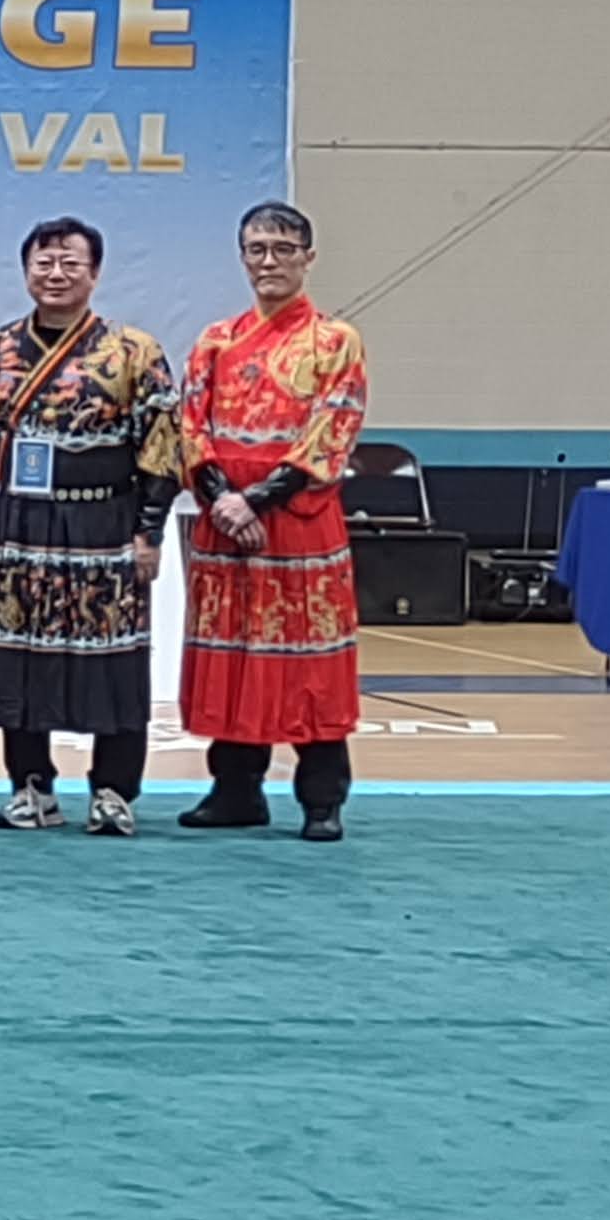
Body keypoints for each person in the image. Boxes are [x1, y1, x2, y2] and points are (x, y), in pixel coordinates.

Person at [0, 216, 185, 837]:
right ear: (25, 271)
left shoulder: (134, 351)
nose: (55, 274)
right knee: (20, 654)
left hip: (106, 519)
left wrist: (149, 529)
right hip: (24, 519)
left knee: (113, 657)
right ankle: (31, 787)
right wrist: (11, 465)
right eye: (44, 263)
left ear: (95, 273)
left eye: (70, 263)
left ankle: (113, 791)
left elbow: (163, 441)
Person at [176, 202, 368, 842]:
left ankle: (321, 799)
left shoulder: (334, 341)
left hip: (297, 518)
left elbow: (333, 426)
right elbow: (190, 427)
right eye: (257, 249)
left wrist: (258, 500)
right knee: (232, 654)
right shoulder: (215, 340)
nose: (269, 261)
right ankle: (235, 789)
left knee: (309, 661)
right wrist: (222, 500)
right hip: (225, 521)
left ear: (308, 258)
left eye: (283, 249)